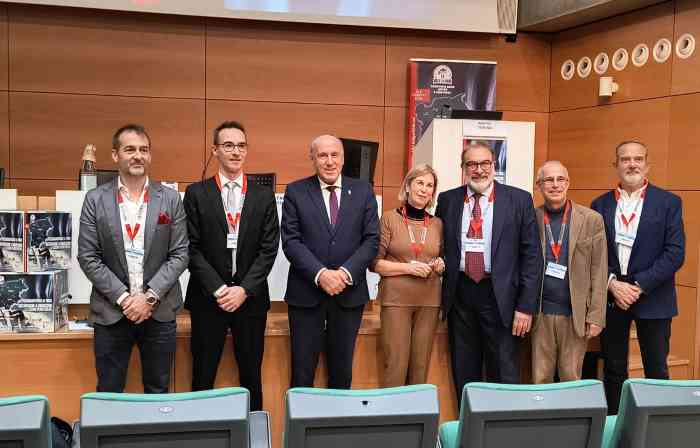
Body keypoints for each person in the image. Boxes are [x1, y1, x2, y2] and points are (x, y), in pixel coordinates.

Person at [78, 124, 189, 393]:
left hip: (159, 311)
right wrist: (126, 299)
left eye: (144, 150)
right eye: (130, 150)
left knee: (158, 390)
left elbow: (180, 253)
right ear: (115, 155)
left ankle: (154, 437)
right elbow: (88, 256)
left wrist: (148, 298)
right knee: (109, 391)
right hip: (112, 312)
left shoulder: (170, 199)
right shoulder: (95, 200)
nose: (138, 156)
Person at [435, 140, 541, 407]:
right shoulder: (447, 200)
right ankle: (468, 429)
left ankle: (501, 432)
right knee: (464, 369)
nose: (478, 170)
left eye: (484, 163)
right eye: (471, 164)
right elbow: (438, 246)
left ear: (494, 165)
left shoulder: (519, 199)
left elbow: (531, 257)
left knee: (504, 370)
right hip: (461, 295)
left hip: (501, 297)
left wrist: (525, 307)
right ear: (463, 168)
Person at [183, 121, 279, 411]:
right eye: (228, 145)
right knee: (202, 375)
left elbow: (269, 248)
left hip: (250, 301)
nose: (235, 152)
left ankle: (253, 435)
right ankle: (198, 436)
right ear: (215, 150)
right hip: (207, 299)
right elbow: (190, 247)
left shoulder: (263, 196)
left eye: (241, 145)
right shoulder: (197, 193)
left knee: (251, 375)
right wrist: (219, 288)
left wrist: (243, 290)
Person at [591, 141, 684, 414]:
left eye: (638, 159)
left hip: (653, 297)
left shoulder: (669, 203)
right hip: (613, 297)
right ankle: (616, 428)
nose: (632, 164)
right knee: (613, 369)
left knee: (656, 370)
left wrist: (638, 285)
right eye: (625, 159)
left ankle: (657, 430)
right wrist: (611, 284)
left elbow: (675, 253)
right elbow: (595, 253)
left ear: (647, 164)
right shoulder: (600, 204)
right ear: (616, 165)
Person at [281, 134, 379, 388]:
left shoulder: (363, 191)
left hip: (349, 295)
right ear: (312, 158)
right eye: (322, 155)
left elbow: (371, 240)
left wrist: (345, 273)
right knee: (302, 373)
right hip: (306, 295)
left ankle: (338, 428)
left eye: (334, 155)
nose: (329, 161)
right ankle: (299, 427)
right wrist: (321, 274)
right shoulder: (295, 191)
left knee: (342, 372)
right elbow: (291, 241)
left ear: (343, 158)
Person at [531, 161, 607, 383]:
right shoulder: (530, 218)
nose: (555, 185)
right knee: (539, 378)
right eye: (548, 180)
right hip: (540, 314)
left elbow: (599, 270)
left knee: (571, 379)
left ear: (568, 183)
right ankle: (542, 419)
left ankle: (571, 419)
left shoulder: (592, 220)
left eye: (560, 179)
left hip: (575, 315)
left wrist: (595, 316)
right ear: (539, 185)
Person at [371, 164, 444, 387]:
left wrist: (441, 264)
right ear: (408, 186)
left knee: (420, 368)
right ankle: (392, 421)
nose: (424, 189)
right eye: (419, 183)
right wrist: (408, 268)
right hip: (396, 301)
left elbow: (440, 258)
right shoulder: (388, 219)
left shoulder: (438, 223)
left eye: (429, 185)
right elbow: (375, 264)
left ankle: (418, 421)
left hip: (429, 301)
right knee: (396, 365)